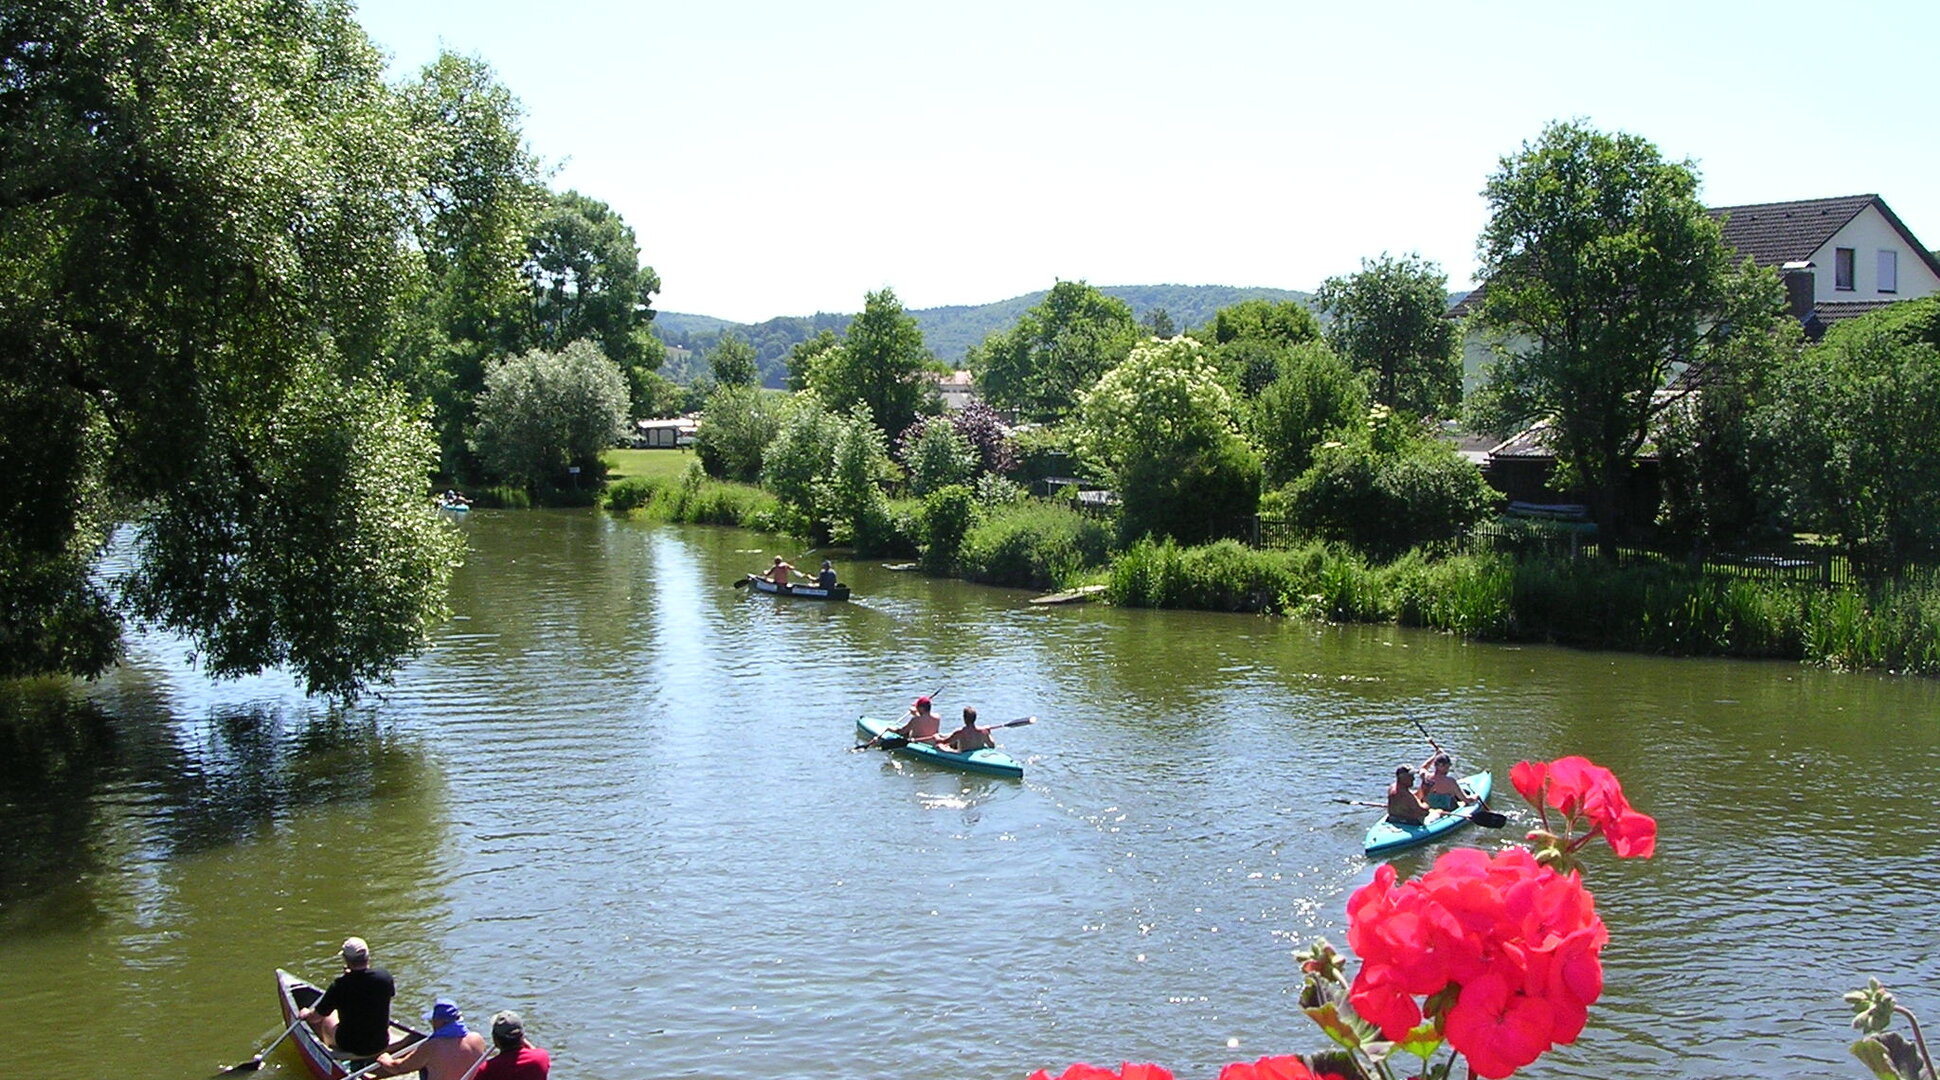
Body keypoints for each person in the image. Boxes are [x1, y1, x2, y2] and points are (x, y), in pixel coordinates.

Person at [299, 937, 396, 1059]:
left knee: (326, 1019)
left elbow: (315, 1018)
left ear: (345, 959)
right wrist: (352, 976)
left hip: (350, 1045)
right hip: (381, 1042)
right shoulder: (385, 977)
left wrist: (306, 1014)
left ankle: (328, 1050)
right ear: (368, 956)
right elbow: (367, 990)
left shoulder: (340, 985)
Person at [372, 997, 489, 1080]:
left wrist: (384, 1058)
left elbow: (398, 1068)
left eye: (432, 1020)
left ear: (439, 1021)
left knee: (423, 1067)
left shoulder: (432, 1046)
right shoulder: (477, 1039)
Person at [477, 1010, 550, 1080]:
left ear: (495, 1038)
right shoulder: (541, 1058)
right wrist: (522, 1039)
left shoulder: (487, 1069)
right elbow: (533, 1050)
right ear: (522, 1036)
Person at [864, 695, 942, 748]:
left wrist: (890, 729)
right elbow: (924, 720)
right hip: (932, 743)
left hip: (919, 743)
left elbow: (902, 731)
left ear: (921, 708)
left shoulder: (915, 720)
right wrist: (915, 713)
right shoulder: (937, 717)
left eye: (918, 706)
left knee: (898, 731)